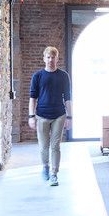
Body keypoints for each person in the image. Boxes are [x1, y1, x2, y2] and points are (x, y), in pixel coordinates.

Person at [28, 46, 72, 186]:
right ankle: (45, 166)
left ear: (57, 59)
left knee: (55, 146)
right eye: (48, 57)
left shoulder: (63, 76)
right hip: (42, 115)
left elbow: (68, 98)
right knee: (43, 146)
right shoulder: (38, 76)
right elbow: (32, 98)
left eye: (53, 57)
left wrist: (70, 117)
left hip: (59, 114)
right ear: (44, 59)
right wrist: (31, 116)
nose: (50, 59)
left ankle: (54, 173)